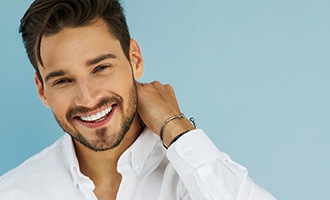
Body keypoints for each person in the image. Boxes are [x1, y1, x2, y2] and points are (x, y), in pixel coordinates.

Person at [0, 0, 276, 199]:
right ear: (41, 89)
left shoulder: (195, 178)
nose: (88, 98)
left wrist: (176, 129)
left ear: (135, 59)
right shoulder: (14, 191)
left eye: (101, 68)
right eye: (63, 80)